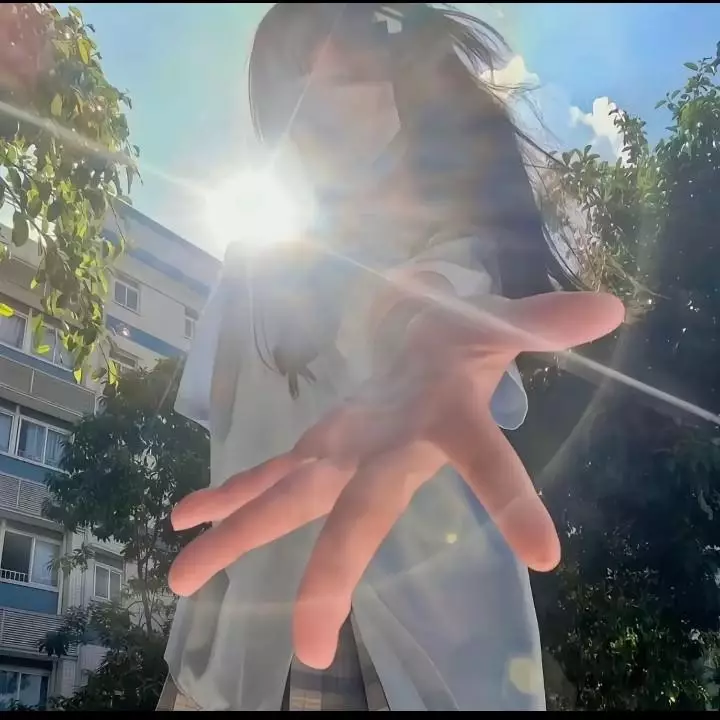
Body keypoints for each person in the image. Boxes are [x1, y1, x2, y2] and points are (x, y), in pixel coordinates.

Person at [157, 3, 624, 712]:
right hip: (230, 655)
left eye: (348, 50)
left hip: (424, 656)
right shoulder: (250, 268)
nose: (321, 73)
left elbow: (410, 299)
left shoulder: (454, 253)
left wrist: (422, 333)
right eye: (296, 71)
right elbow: (232, 453)